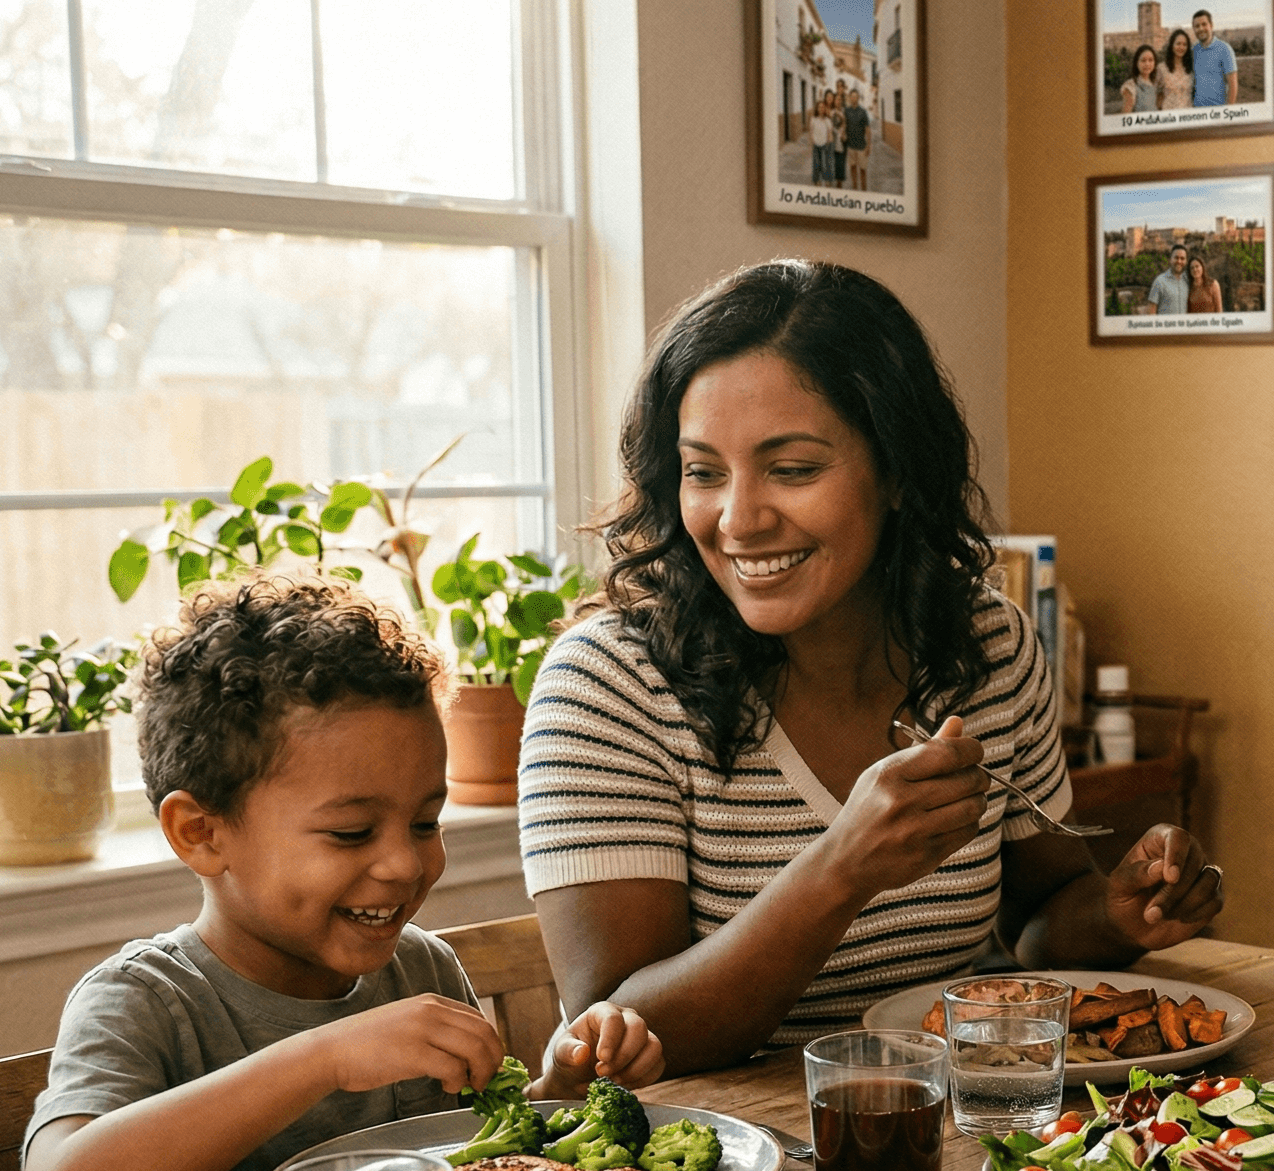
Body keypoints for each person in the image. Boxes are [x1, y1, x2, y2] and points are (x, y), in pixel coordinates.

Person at [519, 261, 1225, 1071]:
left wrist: (1115, 913)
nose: (738, 519)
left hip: (955, 1139)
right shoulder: (607, 684)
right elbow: (612, 1042)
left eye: (792, 469)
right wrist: (840, 869)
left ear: (895, 470)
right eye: (703, 471)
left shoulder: (989, 646)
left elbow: (1038, 921)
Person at [20, 577, 663, 1171]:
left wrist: (559, 1092)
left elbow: (476, 1169)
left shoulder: (422, 970)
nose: (405, 865)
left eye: (424, 823)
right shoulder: (145, 1003)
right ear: (202, 833)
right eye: (351, 833)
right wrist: (324, 1058)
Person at [1188, 10, 1237, 106]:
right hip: (1198, 112)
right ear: (1193, 29)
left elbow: (1233, 85)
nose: (1201, 28)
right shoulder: (1194, 50)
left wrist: (1229, 112)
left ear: (1211, 25)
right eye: (1197, 26)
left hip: (1218, 111)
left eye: (1204, 24)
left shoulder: (1225, 49)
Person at [1146, 242, 1191, 316]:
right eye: (1176, 258)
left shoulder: (1189, 281)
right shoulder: (1159, 281)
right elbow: (1151, 311)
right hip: (1165, 327)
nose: (1179, 261)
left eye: (1182, 258)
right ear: (1170, 259)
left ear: (1186, 261)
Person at [1158, 28, 1195, 117]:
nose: (1181, 47)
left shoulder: (1191, 69)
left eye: (1184, 44)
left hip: (1188, 117)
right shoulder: (1161, 68)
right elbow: (1156, 95)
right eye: (1178, 43)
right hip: (1168, 118)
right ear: (1172, 45)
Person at [840, 91, 872, 192]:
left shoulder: (863, 112)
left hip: (861, 146)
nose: (853, 98)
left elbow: (867, 129)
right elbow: (845, 124)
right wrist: (843, 133)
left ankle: (864, 191)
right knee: (852, 169)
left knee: (863, 170)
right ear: (850, 98)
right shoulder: (847, 110)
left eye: (855, 96)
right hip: (850, 146)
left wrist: (868, 146)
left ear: (858, 98)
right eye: (852, 96)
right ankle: (855, 189)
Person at [808, 90, 840, 187]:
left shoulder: (827, 119)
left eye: (823, 107)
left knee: (827, 166)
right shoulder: (813, 119)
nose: (821, 109)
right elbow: (811, 132)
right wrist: (812, 144)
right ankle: (817, 183)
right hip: (816, 145)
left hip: (826, 145)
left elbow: (830, 133)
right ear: (817, 109)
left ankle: (828, 183)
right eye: (819, 107)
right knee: (817, 166)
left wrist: (828, 143)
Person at [1120, 43, 1161, 115]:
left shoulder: (1154, 84)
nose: (1147, 64)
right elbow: (1125, 117)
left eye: (1150, 60)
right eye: (1143, 60)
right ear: (1137, 62)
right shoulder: (1130, 86)